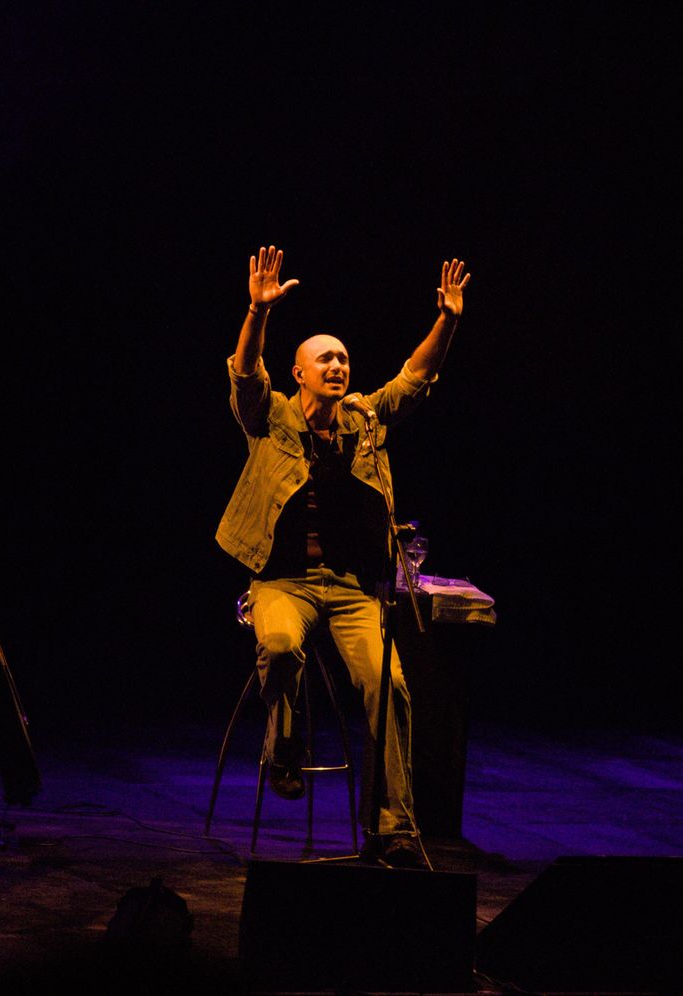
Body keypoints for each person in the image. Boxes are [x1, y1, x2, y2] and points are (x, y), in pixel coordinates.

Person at [215, 245, 470, 869]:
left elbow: (414, 378)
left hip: (352, 587)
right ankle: (282, 745)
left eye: (344, 358)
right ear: (299, 373)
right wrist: (257, 311)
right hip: (282, 580)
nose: (338, 365)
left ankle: (394, 827)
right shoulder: (269, 419)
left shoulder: (364, 420)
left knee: (392, 687)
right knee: (277, 646)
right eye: (324, 358)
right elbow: (246, 373)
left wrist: (448, 320)